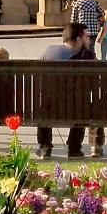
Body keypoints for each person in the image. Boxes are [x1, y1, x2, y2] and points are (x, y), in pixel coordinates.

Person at [36, 22, 89, 160]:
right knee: (82, 104)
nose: (88, 40)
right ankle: (74, 148)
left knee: (45, 104)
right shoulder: (87, 55)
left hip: (48, 108)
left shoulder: (48, 51)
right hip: (77, 109)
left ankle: (45, 147)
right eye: (86, 37)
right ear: (78, 39)